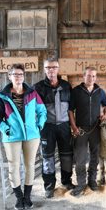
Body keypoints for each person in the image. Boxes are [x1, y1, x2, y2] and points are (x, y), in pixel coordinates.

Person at [0, 63, 47, 210]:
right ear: (9, 76)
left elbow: (42, 111)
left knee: (29, 166)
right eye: (15, 74)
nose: (18, 77)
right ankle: (19, 198)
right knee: (14, 167)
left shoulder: (32, 93)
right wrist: (6, 129)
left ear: (24, 76)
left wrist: (39, 125)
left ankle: (27, 198)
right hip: (12, 137)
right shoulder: (3, 96)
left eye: (20, 74)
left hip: (31, 136)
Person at [33, 58, 75, 198]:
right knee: (47, 157)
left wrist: (73, 126)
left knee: (67, 155)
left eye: (54, 67)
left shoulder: (66, 86)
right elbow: (33, 109)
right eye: (48, 67)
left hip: (64, 126)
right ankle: (49, 186)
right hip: (47, 127)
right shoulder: (37, 88)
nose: (51, 70)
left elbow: (71, 108)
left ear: (58, 69)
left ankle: (66, 181)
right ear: (44, 69)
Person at [68, 67, 106, 196]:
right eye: (89, 75)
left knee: (95, 156)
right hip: (80, 129)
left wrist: (105, 114)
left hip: (95, 128)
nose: (91, 78)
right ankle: (81, 184)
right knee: (80, 158)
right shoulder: (76, 91)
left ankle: (92, 181)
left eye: (93, 76)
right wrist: (74, 127)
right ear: (83, 76)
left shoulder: (100, 91)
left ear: (95, 77)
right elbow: (70, 110)